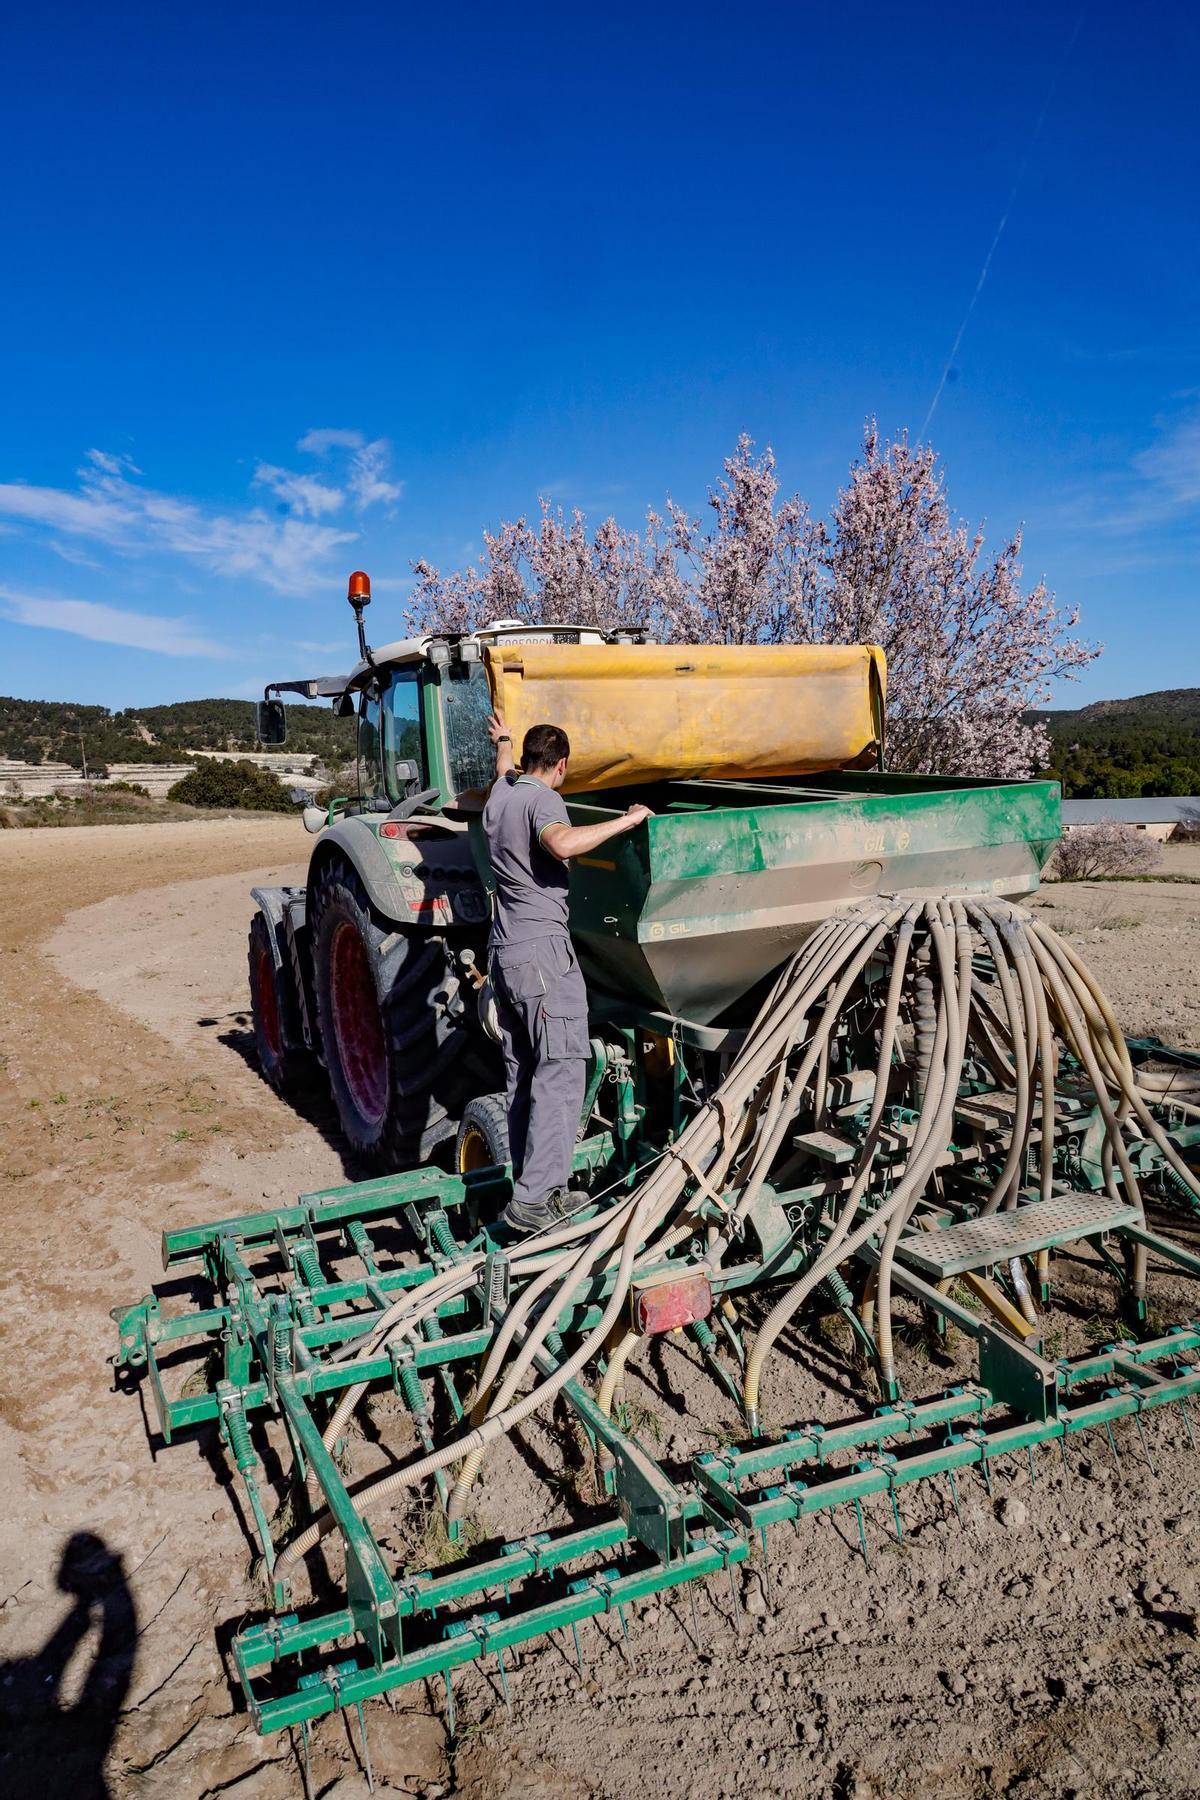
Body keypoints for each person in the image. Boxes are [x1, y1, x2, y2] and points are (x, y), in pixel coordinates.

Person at [483, 710, 651, 1234]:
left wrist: (502, 743)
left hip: (505, 955)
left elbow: (503, 771)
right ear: (560, 765)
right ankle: (535, 1199)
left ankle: (537, 1188)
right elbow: (561, 843)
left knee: (526, 1075)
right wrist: (629, 819)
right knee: (562, 1071)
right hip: (542, 957)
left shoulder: (502, 796)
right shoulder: (543, 799)